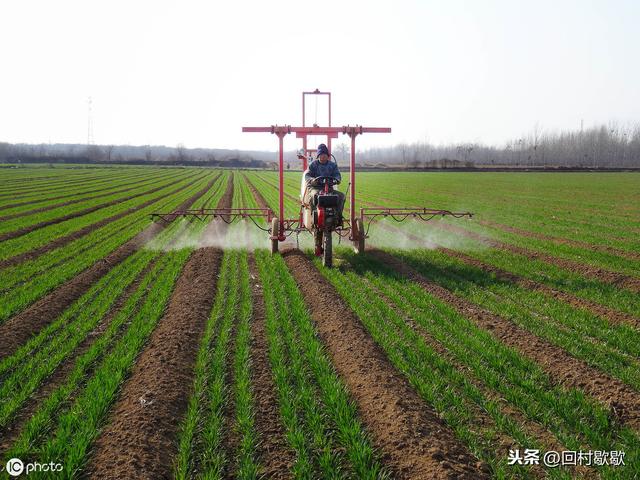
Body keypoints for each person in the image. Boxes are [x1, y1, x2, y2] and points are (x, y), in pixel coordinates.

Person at [302, 144, 346, 254]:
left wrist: (336, 179)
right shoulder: (313, 165)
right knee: (315, 196)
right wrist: (312, 180)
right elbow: (307, 176)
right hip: (316, 188)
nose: (323, 157)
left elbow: (337, 175)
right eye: (321, 155)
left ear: (328, 156)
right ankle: (314, 215)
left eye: (325, 155)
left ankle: (338, 216)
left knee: (341, 196)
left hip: (329, 188)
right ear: (318, 156)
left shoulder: (332, 166)